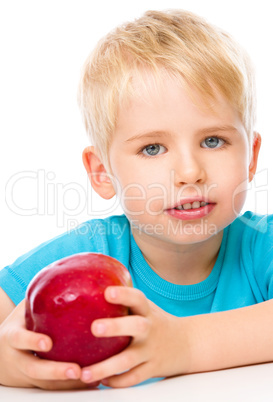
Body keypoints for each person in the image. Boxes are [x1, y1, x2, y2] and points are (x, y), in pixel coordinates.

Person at [0, 8, 271, 390]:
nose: (190, 172)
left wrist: (186, 344)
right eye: (153, 148)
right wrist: (7, 362)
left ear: (251, 157)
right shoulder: (85, 256)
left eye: (213, 141)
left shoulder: (262, 247)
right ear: (101, 173)